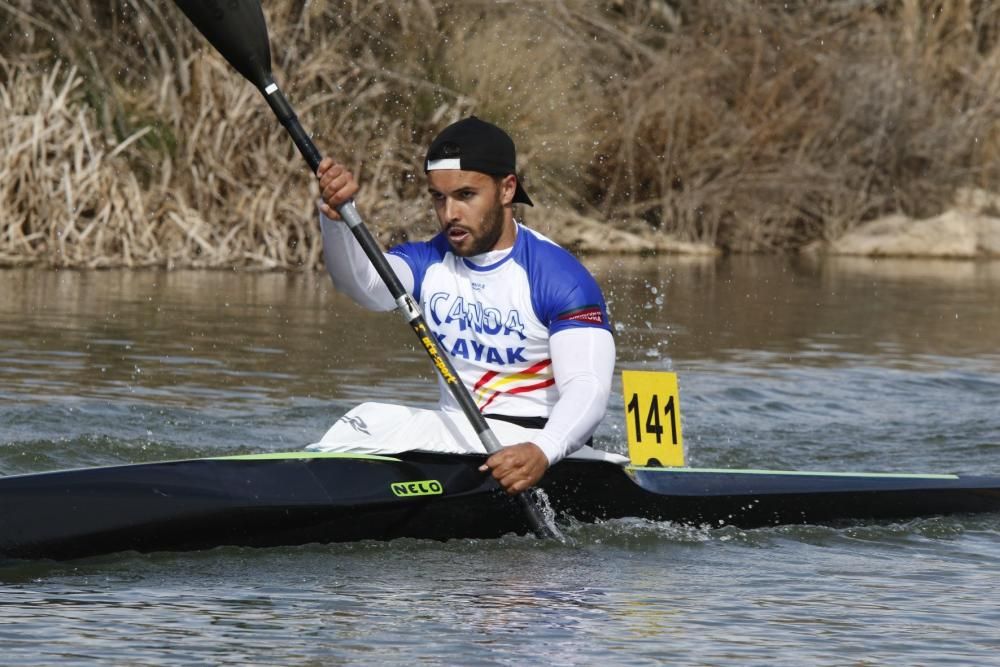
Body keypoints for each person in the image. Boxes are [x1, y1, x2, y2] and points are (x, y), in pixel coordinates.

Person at [313, 116, 616, 495]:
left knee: (372, 423)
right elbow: (364, 286)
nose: (450, 213)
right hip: (459, 441)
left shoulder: (560, 278)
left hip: (539, 452)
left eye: (465, 195)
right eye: (439, 197)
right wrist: (339, 220)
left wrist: (543, 449)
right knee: (366, 418)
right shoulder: (428, 261)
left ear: (507, 189)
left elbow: (588, 387)